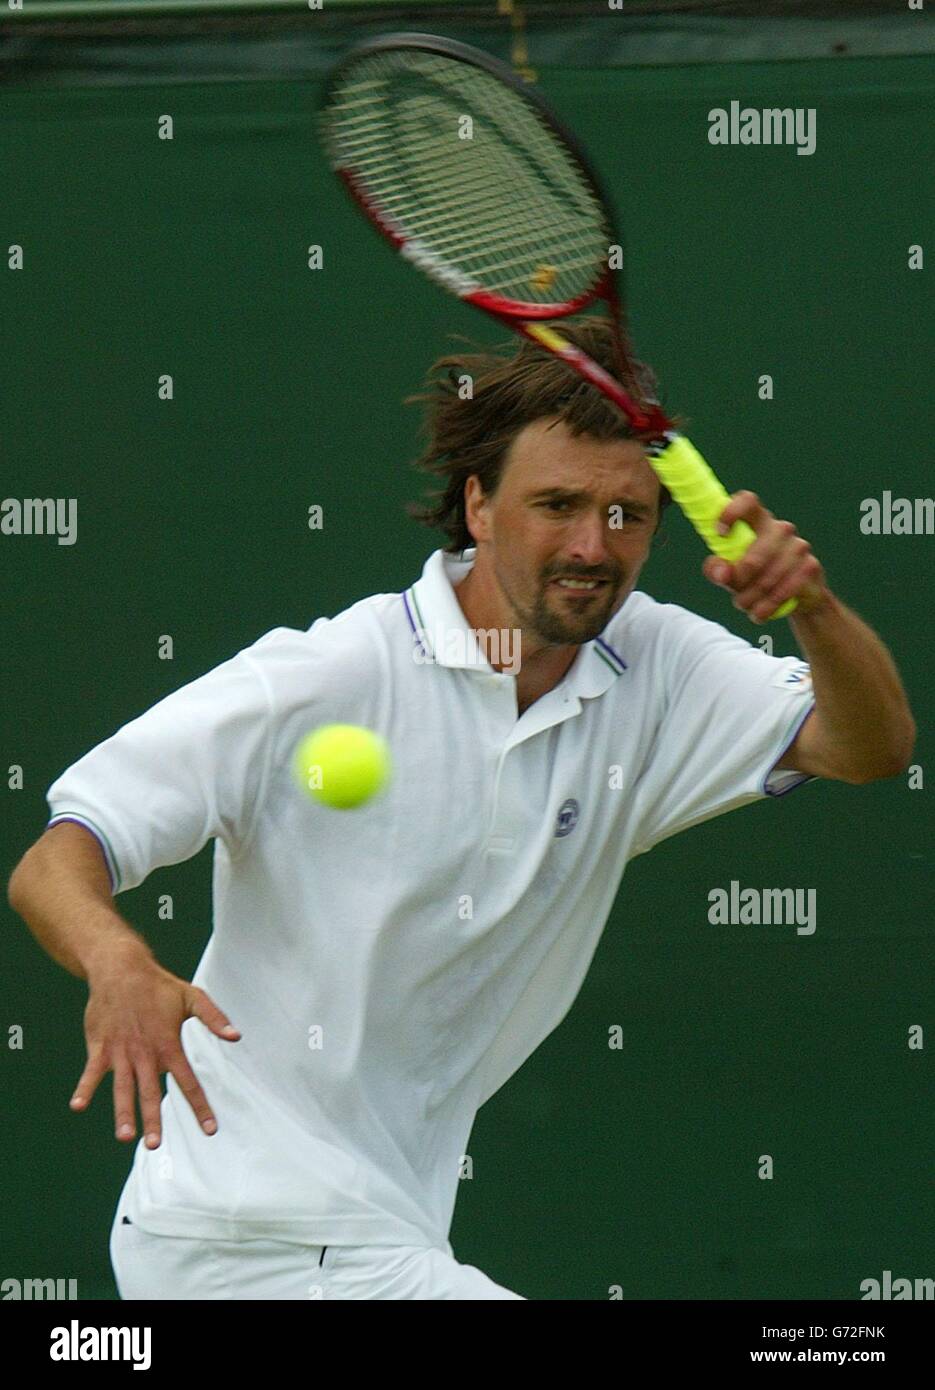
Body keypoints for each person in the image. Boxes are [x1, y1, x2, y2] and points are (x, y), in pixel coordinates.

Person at [7, 318, 915, 1301]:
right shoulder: (326, 676)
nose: (589, 545)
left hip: (378, 1229)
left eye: (626, 514)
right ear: (477, 507)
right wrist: (119, 961)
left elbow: (868, 745)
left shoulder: (659, 666)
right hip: (242, 1231)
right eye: (556, 504)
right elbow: (60, 852)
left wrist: (809, 611)